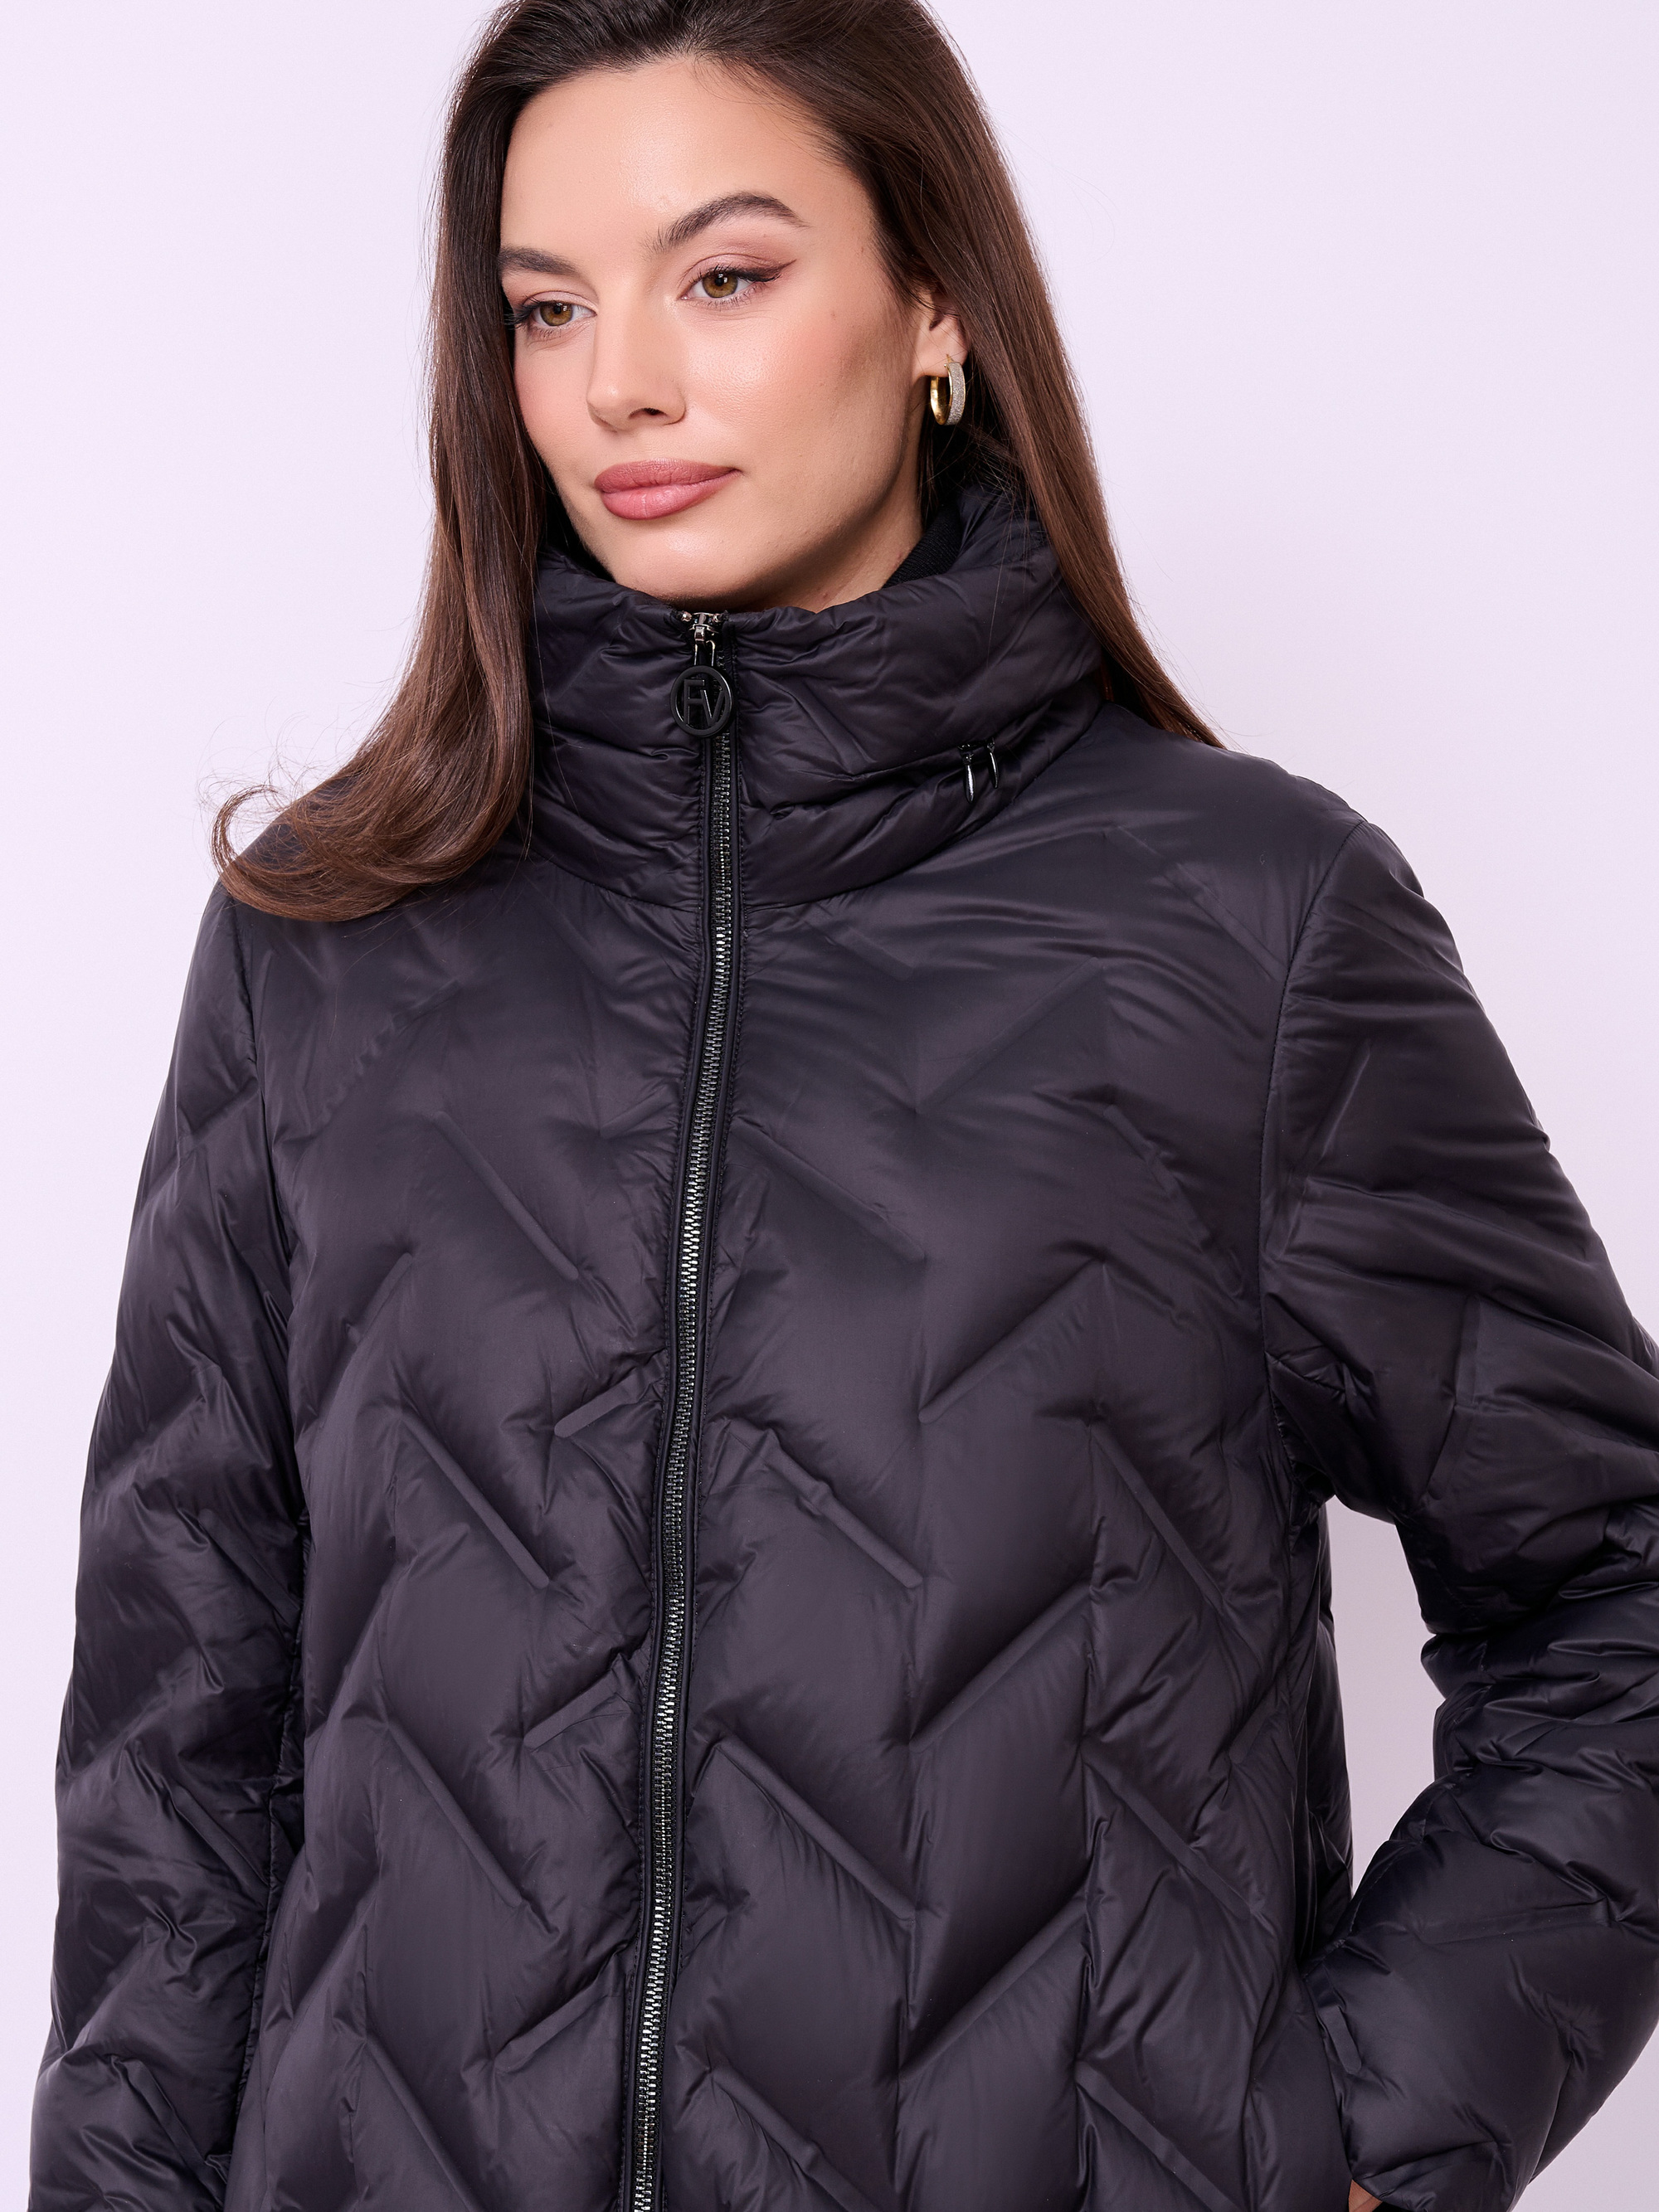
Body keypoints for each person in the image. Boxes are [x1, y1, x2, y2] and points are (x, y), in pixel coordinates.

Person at [29, 1, 1659, 2208]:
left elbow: (1617, 1599)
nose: (618, 383)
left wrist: (1348, 2143)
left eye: (723, 274)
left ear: (936, 305)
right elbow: (179, 1742)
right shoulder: (334, 941)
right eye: (545, 307)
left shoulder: (1245, 927)